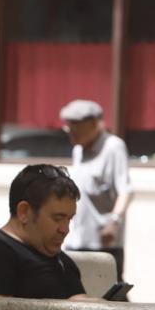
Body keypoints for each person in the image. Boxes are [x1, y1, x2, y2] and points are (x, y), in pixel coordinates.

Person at [0, 164, 89, 300]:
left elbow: (81, 304)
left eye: (69, 219)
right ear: (24, 212)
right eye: (57, 218)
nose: (65, 230)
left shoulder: (62, 262)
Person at [60, 99, 133, 283]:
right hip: (77, 240)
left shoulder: (113, 147)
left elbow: (126, 190)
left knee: (108, 296)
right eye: (69, 125)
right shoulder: (78, 150)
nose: (71, 131)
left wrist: (114, 222)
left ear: (94, 124)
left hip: (103, 244)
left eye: (76, 125)